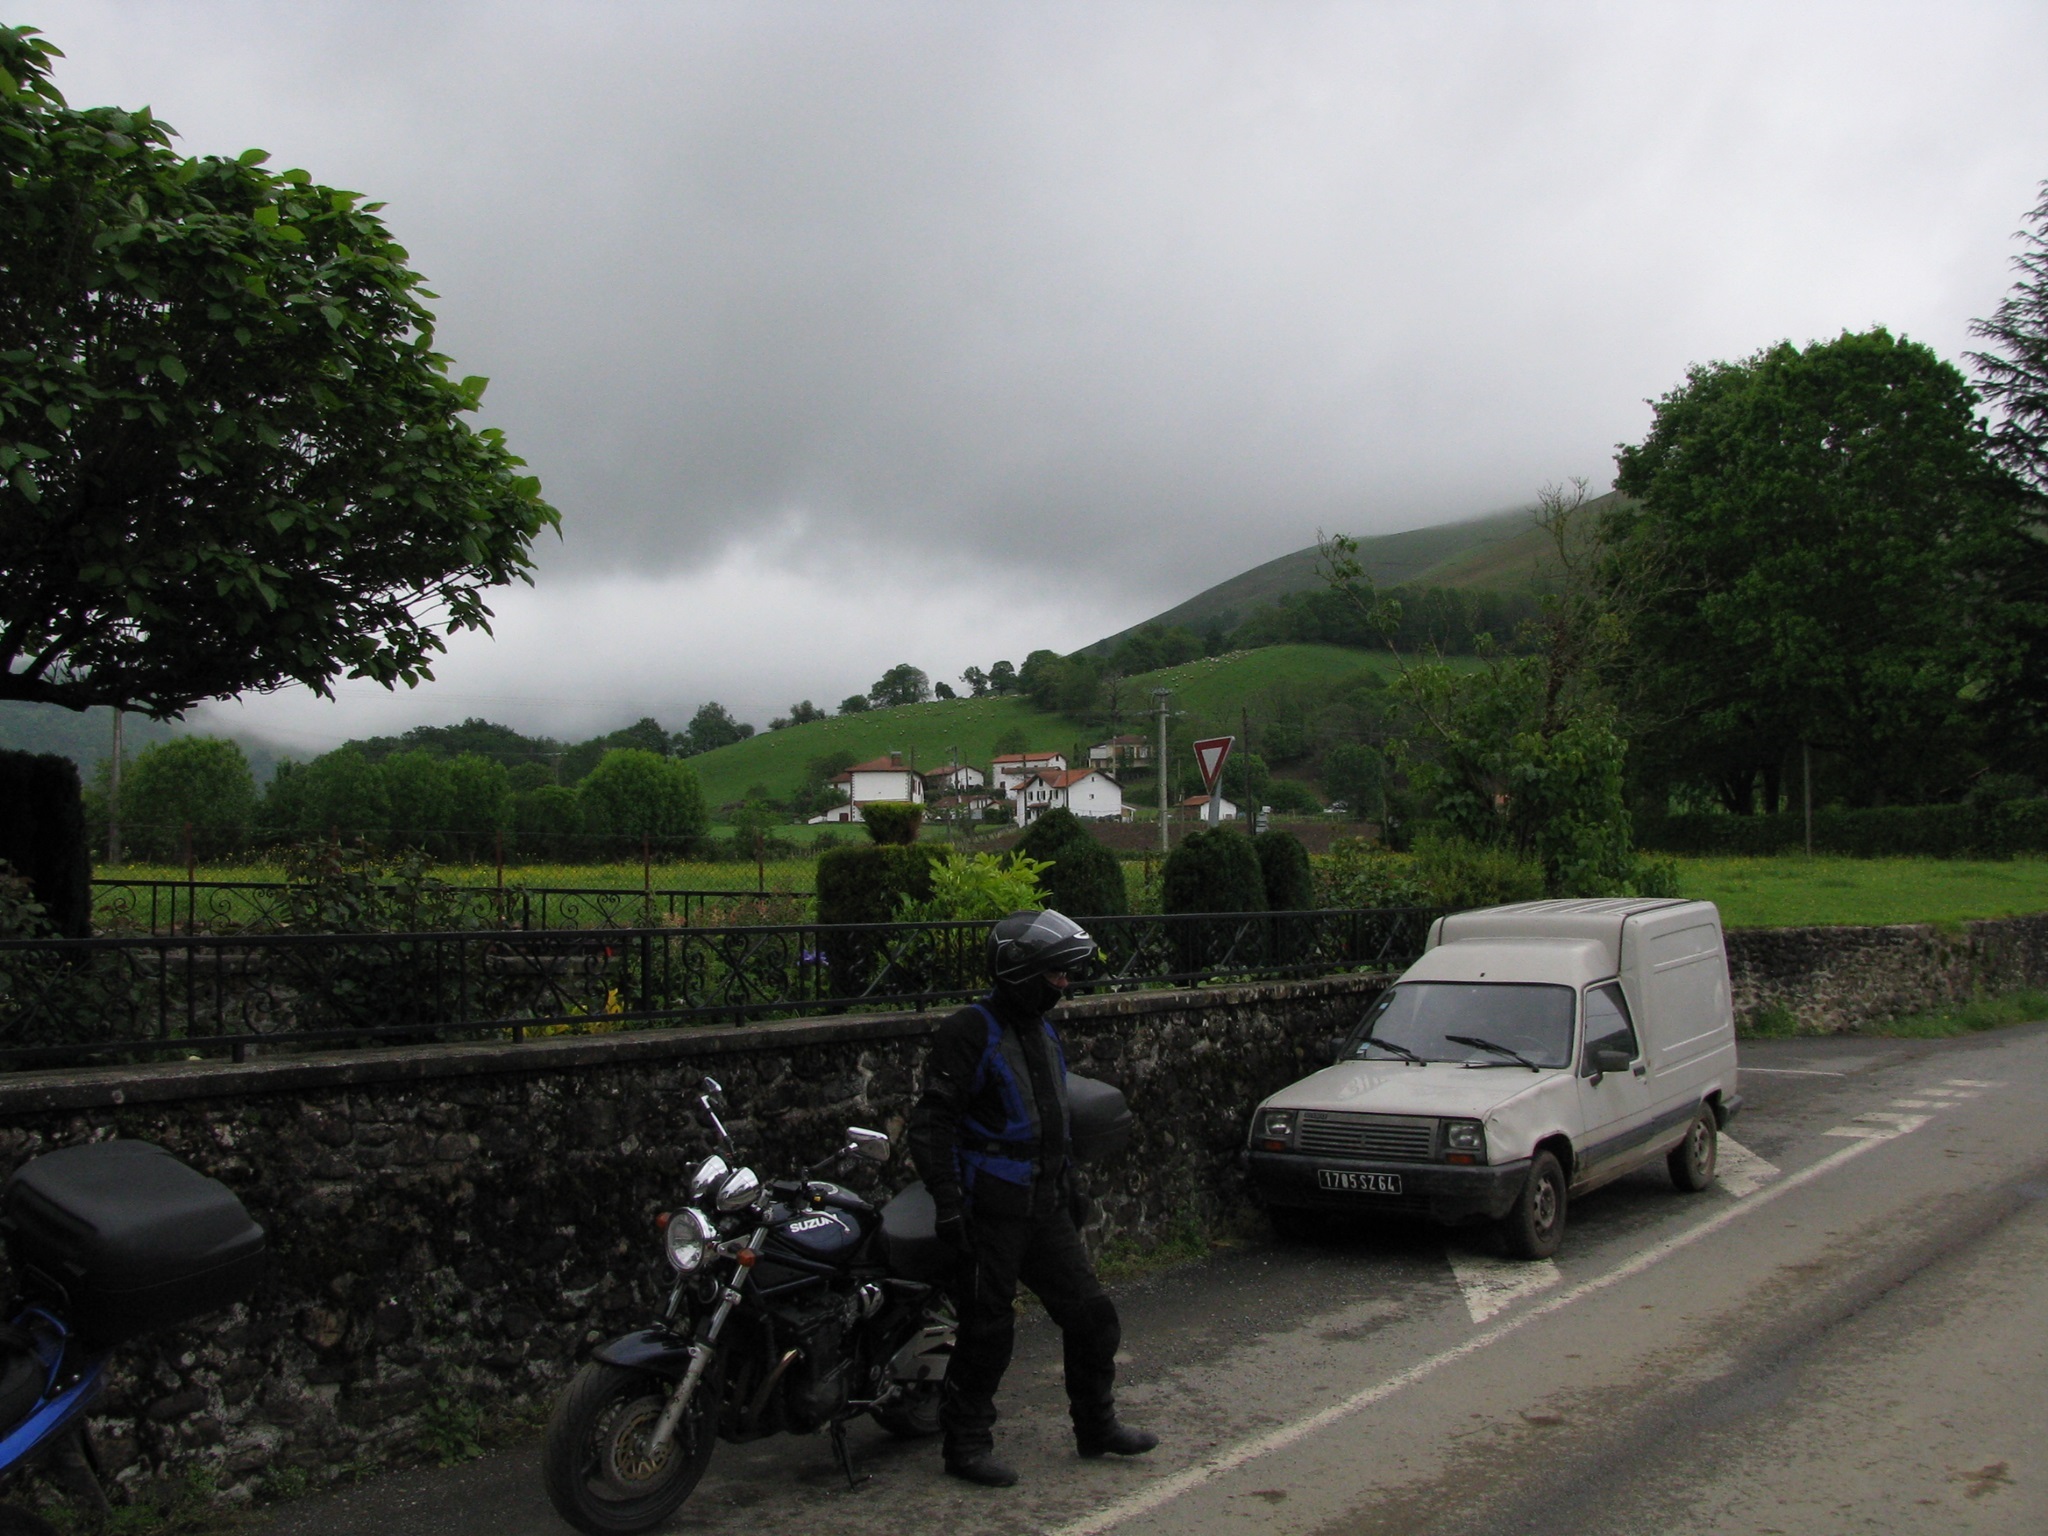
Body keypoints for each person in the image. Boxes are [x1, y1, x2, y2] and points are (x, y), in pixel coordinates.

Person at [906, 908, 1159, 1488]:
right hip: (990, 1210)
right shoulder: (970, 1031)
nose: (1064, 983)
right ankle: (966, 1445)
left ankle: (1096, 1426)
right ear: (1021, 972)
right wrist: (949, 1201)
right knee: (987, 1331)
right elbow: (932, 1122)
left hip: (1042, 1204)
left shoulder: (1041, 1029)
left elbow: (1052, 1116)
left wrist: (1068, 1183)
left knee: (1092, 1317)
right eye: (1054, 973)